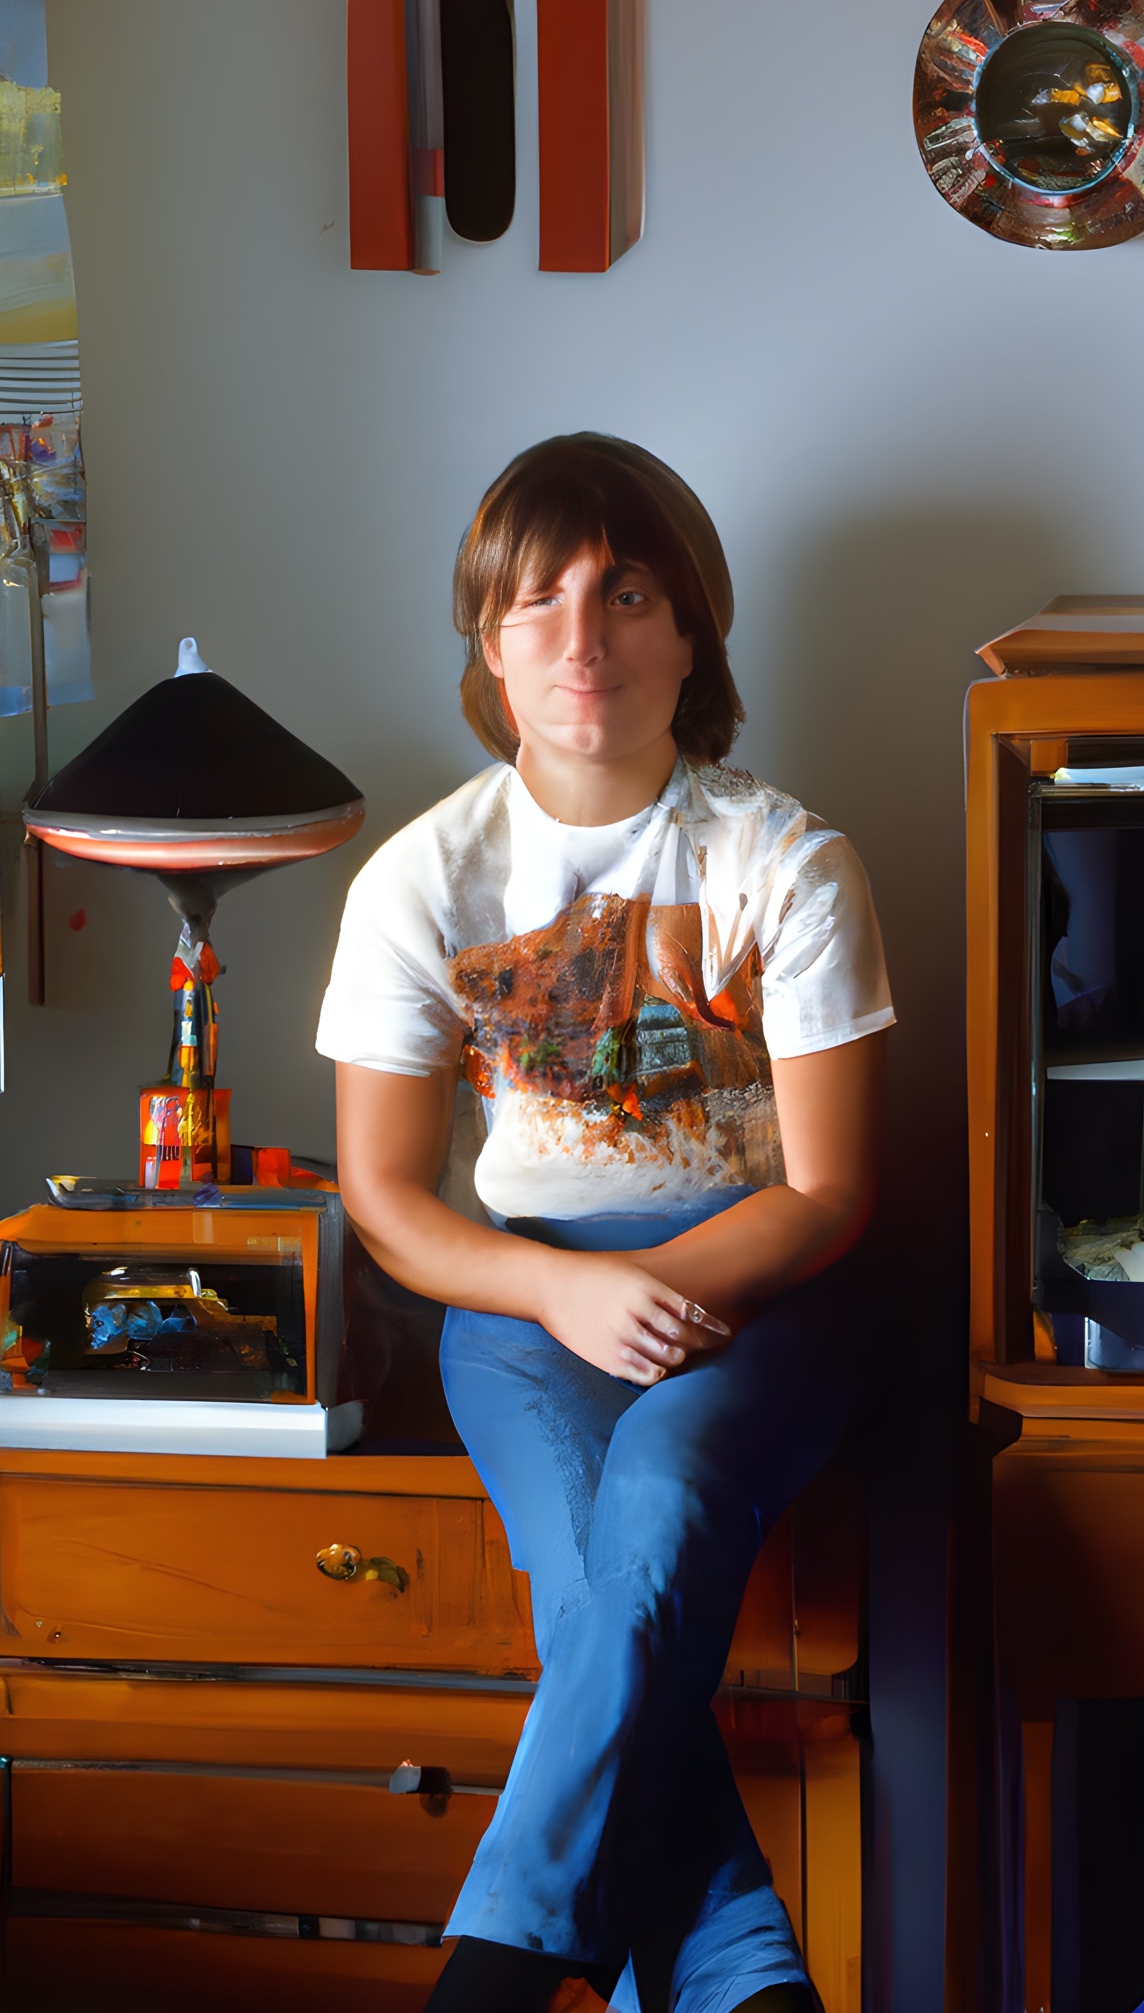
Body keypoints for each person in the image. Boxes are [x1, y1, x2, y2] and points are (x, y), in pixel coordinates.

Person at [318, 433, 894, 2013]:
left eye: (627, 595)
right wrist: (563, 1298)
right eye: (540, 601)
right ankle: (747, 1979)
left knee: (656, 1501)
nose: (582, 640)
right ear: (488, 643)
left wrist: (659, 1288)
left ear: (692, 633)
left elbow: (832, 1189)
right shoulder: (421, 881)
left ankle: (499, 1973)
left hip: (763, 1290)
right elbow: (386, 1197)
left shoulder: (788, 861)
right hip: (519, 1310)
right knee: (601, 1603)